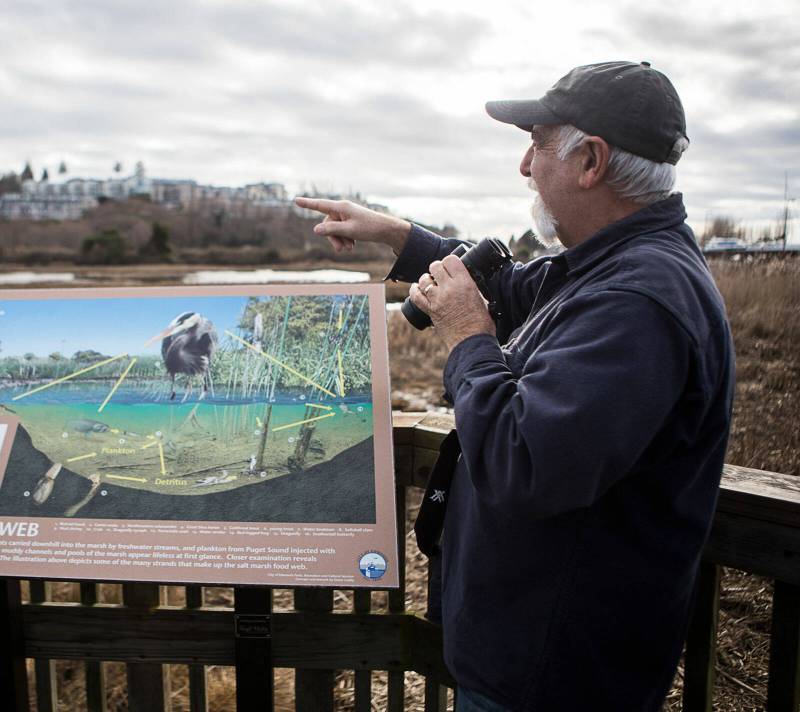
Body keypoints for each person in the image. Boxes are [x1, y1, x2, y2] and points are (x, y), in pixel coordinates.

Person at [295, 61, 735, 711]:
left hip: (558, 678)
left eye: (536, 143)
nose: (524, 166)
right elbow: (504, 287)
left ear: (590, 160)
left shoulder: (640, 300)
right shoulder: (607, 265)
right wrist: (394, 234)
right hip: (536, 658)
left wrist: (469, 337)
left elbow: (525, 464)